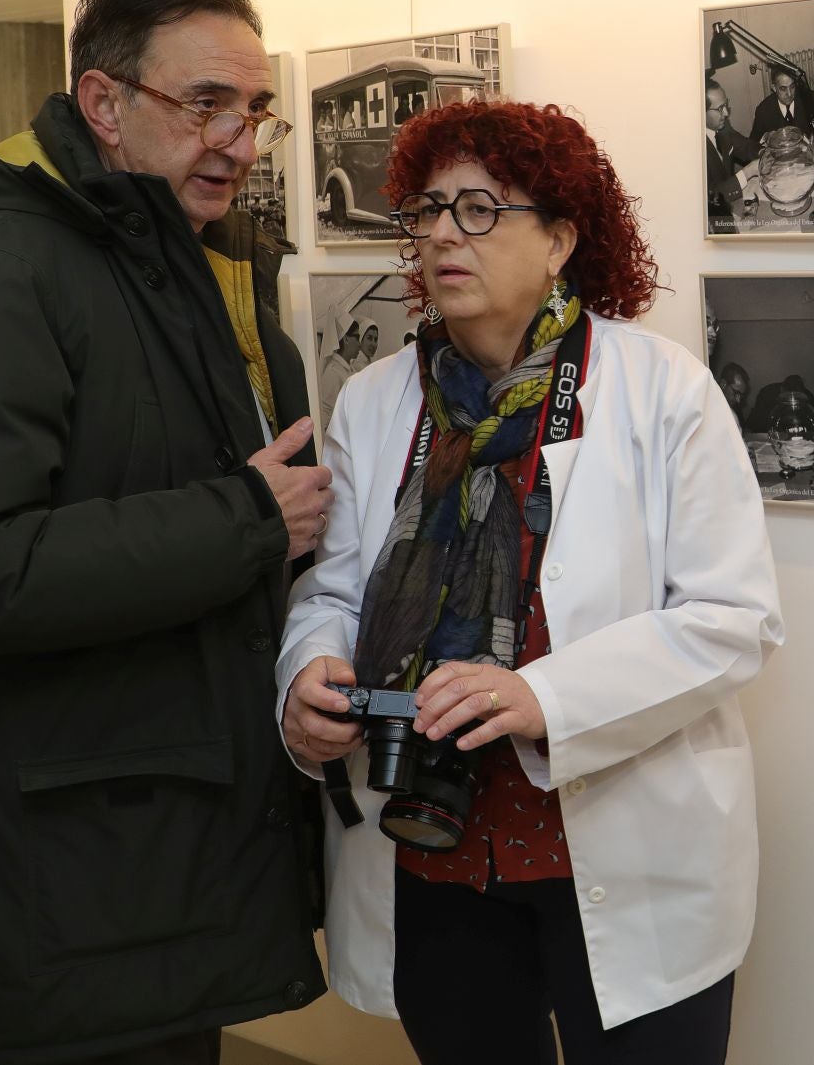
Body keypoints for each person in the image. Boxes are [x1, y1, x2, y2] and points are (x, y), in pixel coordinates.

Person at [0, 0, 333, 1062]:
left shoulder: (171, 253)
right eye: (205, 103)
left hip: (141, 860)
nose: (239, 140)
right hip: (52, 886)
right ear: (103, 105)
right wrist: (247, 521)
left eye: (253, 110)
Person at [277, 99, 782, 1065]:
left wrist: (538, 695)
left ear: (559, 238)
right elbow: (331, 593)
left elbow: (732, 618)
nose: (441, 235)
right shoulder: (380, 400)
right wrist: (307, 674)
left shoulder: (662, 389)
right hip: (435, 852)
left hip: (625, 855)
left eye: (479, 209)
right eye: (427, 210)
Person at [703, 81, 757, 229]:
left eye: (726, 105)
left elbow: (746, 146)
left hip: (732, 203)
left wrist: (769, 150)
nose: (726, 113)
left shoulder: (722, 127)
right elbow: (708, 198)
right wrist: (747, 172)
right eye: (720, 108)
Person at [748, 63, 814, 142]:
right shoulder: (763, 111)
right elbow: (753, 144)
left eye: (792, 86)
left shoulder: (811, 99)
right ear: (774, 88)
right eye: (783, 88)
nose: (789, 94)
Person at [321, 319, 364, 430]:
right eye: (357, 337)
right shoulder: (333, 372)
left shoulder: (351, 370)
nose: (360, 344)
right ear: (346, 339)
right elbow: (325, 415)